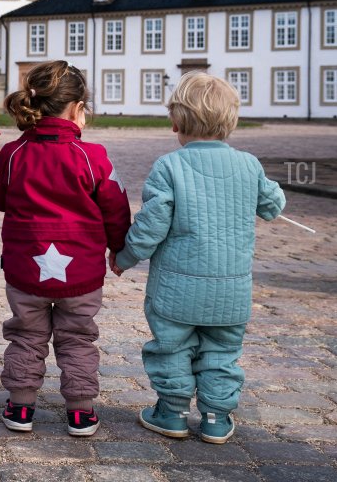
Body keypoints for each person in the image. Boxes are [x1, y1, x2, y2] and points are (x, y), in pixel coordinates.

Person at [113, 73, 285, 445]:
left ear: (176, 122)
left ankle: (172, 412)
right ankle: (216, 417)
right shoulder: (249, 165)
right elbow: (273, 206)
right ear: (231, 122)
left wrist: (125, 257)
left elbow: (152, 224)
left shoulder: (169, 166)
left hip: (176, 288)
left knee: (171, 347)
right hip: (231, 289)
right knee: (222, 353)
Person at [0, 60, 130, 437]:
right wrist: (119, 248)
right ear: (78, 109)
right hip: (81, 274)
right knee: (78, 337)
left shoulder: (14, 154)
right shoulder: (93, 156)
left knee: (26, 336)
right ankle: (80, 411)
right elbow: (115, 208)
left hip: (24, 271)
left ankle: (20, 406)